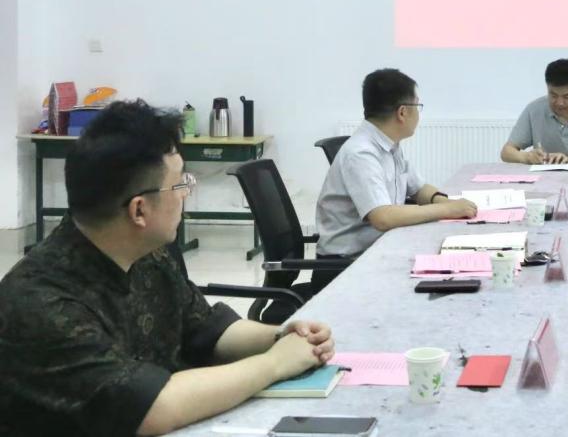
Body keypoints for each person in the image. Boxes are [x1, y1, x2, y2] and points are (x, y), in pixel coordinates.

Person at [0, 100, 336, 436]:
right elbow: (148, 409)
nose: (186, 194)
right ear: (139, 210)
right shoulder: (40, 303)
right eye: (180, 184)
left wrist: (280, 336)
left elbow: (207, 329)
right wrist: (274, 363)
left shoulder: (145, 254)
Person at [314, 69, 476, 288]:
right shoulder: (361, 153)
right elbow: (383, 218)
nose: (419, 113)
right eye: (417, 106)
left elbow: (418, 189)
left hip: (377, 252)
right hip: (345, 270)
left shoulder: (389, 144)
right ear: (402, 112)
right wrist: (447, 210)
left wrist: (445, 202)